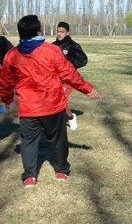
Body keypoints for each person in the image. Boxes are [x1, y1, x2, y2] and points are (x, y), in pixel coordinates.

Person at [0, 15, 101, 188]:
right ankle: (61, 170)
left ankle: (30, 177)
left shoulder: (11, 55)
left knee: (29, 143)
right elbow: (69, 73)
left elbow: (5, 81)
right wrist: (88, 89)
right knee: (58, 139)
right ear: (38, 31)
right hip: (51, 106)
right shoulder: (51, 50)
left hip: (29, 108)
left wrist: (7, 99)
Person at [52, 22, 88, 130]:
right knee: (53, 100)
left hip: (67, 80)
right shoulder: (52, 45)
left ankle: (71, 118)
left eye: (62, 32)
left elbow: (83, 60)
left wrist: (68, 66)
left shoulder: (74, 46)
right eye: (58, 31)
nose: (59, 34)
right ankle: (68, 117)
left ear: (67, 32)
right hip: (53, 79)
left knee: (59, 100)